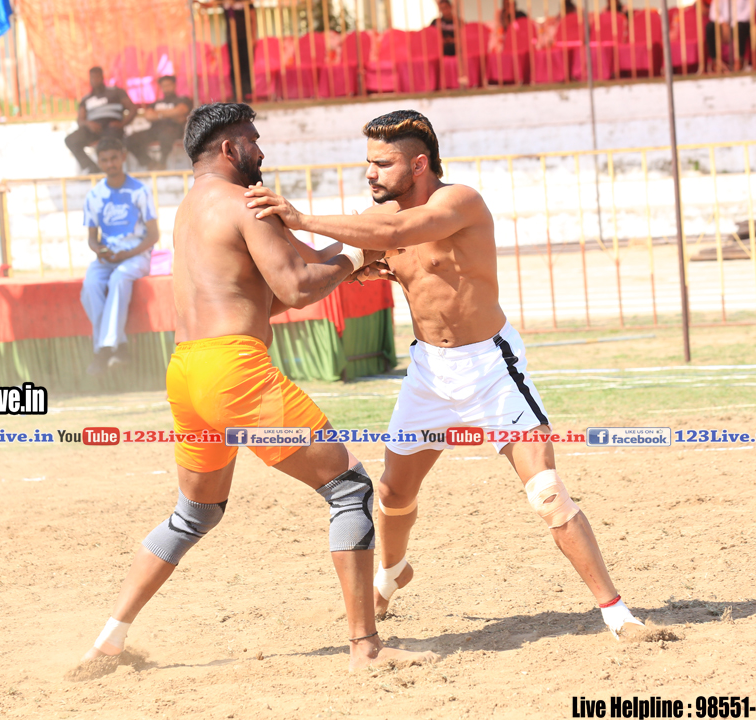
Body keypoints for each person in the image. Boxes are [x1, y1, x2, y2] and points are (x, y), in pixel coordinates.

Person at [244, 110, 646, 641]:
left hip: (491, 368)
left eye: (382, 163)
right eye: (368, 162)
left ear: (419, 164)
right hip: (429, 372)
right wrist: (284, 238)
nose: (370, 173)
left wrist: (301, 217)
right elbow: (323, 263)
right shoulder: (376, 219)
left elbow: (398, 231)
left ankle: (617, 614)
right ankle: (391, 576)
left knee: (547, 494)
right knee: (391, 494)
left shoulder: (459, 202)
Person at [77, 103, 437, 672]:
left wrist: (348, 261)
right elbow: (296, 287)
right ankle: (365, 647)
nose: (262, 151)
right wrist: (355, 257)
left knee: (194, 514)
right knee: (349, 489)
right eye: (253, 140)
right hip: (233, 372)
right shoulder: (247, 202)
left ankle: (107, 641)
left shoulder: (191, 207)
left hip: (187, 371)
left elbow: (266, 289)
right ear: (229, 148)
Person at [80, 137, 160, 375]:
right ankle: (120, 346)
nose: (110, 164)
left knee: (119, 278)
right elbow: (92, 238)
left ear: (123, 157)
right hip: (108, 258)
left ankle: (103, 350)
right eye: (104, 160)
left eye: (114, 158)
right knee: (91, 284)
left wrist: (128, 253)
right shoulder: (94, 195)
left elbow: (153, 235)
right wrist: (99, 251)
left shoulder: (140, 191)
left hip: (136, 255)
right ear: (99, 161)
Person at [65, 67, 138, 174]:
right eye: (92, 77)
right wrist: (88, 124)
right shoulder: (86, 99)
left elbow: (133, 109)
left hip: (112, 127)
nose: (95, 80)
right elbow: (80, 120)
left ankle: (113, 169)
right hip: (92, 129)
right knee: (71, 140)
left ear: (102, 77)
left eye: (97, 77)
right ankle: (92, 168)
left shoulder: (116, 92)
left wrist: (122, 124)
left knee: (110, 143)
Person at [126, 75, 193, 171]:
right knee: (130, 139)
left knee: (166, 134)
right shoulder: (156, 102)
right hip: (154, 131)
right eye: (164, 86)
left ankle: (162, 162)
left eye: (168, 85)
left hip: (174, 130)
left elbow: (181, 111)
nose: (166, 88)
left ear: (174, 85)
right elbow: (148, 116)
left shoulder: (183, 99)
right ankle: (149, 163)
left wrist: (158, 114)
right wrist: (171, 113)